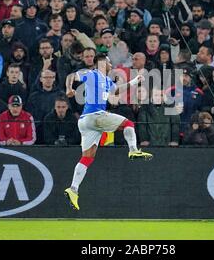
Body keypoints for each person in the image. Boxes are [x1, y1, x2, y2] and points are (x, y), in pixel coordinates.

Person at [63, 53, 152, 211]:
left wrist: (134, 81)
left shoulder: (106, 81)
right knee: (128, 123)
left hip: (86, 122)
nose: (112, 65)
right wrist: (69, 88)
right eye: (109, 62)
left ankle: (73, 189)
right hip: (95, 116)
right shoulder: (91, 74)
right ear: (103, 63)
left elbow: (116, 91)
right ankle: (133, 150)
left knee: (87, 157)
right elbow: (71, 75)